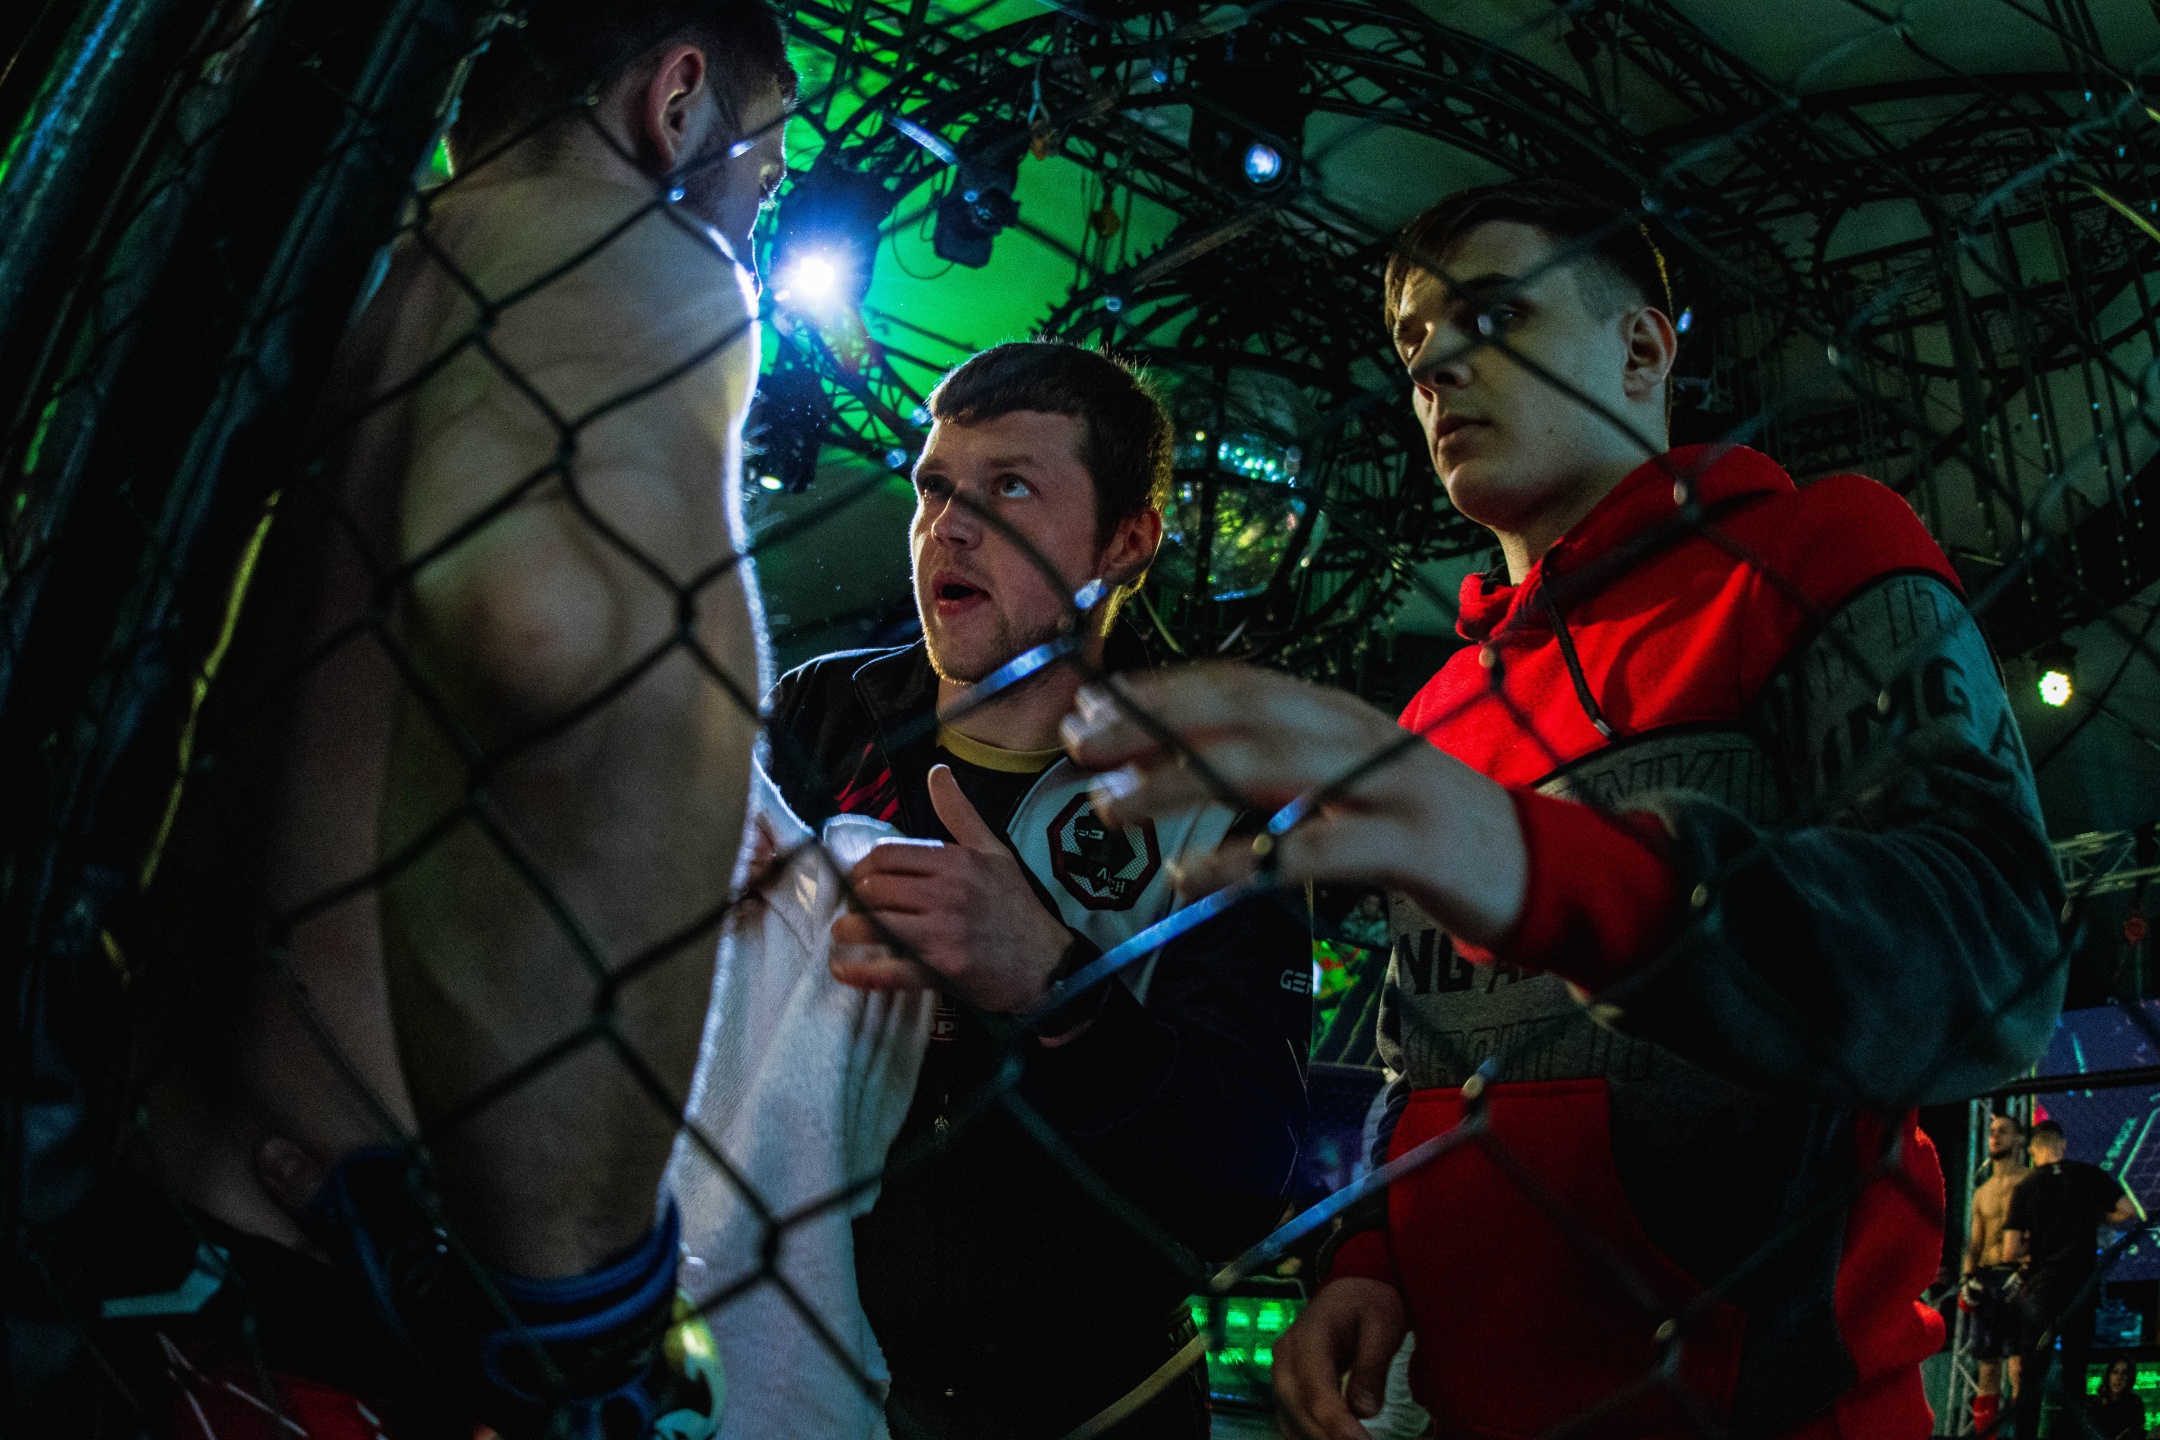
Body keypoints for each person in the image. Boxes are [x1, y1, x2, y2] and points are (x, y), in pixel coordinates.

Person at [1059, 178, 2064, 1439]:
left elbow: (1991, 942)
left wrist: (1551, 866)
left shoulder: (1816, 553)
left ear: (1641, 349)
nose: (1435, 368)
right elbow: (1420, 1044)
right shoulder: (1440, 710)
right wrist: (1372, 1252)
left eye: (1492, 316)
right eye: (1414, 344)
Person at [116, 4, 793, 1435]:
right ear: (677, 101)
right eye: (769, 171)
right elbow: (570, 628)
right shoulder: (626, 247)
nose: (756, 217)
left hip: (145, 1230)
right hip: (352, 1322)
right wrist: (578, 1314)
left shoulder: (349, 263)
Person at [764, 341, 1310, 1439]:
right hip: (800, 1375)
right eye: (934, 487)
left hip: (1093, 1406)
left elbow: (1250, 1174)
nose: (949, 527)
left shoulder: (1215, 797)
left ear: (1127, 541)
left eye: (1010, 487)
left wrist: (1055, 989)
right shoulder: (819, 721)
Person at [2005, 1119, 2138, 1440]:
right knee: (2075, 1372)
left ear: (2033, 1150)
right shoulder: (2088, 1176)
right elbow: (2128, 1210)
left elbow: (2010, 1250)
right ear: (2062, 1145)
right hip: (2081, 1287)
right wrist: (2095, 1219)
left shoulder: (2025, 1186)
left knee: (2032, 1374)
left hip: (2042, 1287)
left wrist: (2036, 1244)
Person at [1961, 1110, 2033, 1435]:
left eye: (2003, 1130)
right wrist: (1967, 1280)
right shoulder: (1982, 1191)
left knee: (2019, 1367)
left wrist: (2029, 1268)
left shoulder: (2031, 1182)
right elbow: (1974, 1243)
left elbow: (2043, 1232)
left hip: (2020, 1276)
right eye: (1991, 1131)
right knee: (1987, 1369)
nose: (1994, 1136)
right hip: (1987, 1279)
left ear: (2019, 1139)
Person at [2090, 1358, 2147, 1440]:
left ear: (2130, 1378)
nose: (2119, 1377)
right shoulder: (2095, 1404)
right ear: (2108, 1376)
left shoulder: (2135, 1403)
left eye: (2124, 1373)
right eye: (2115, 1372)